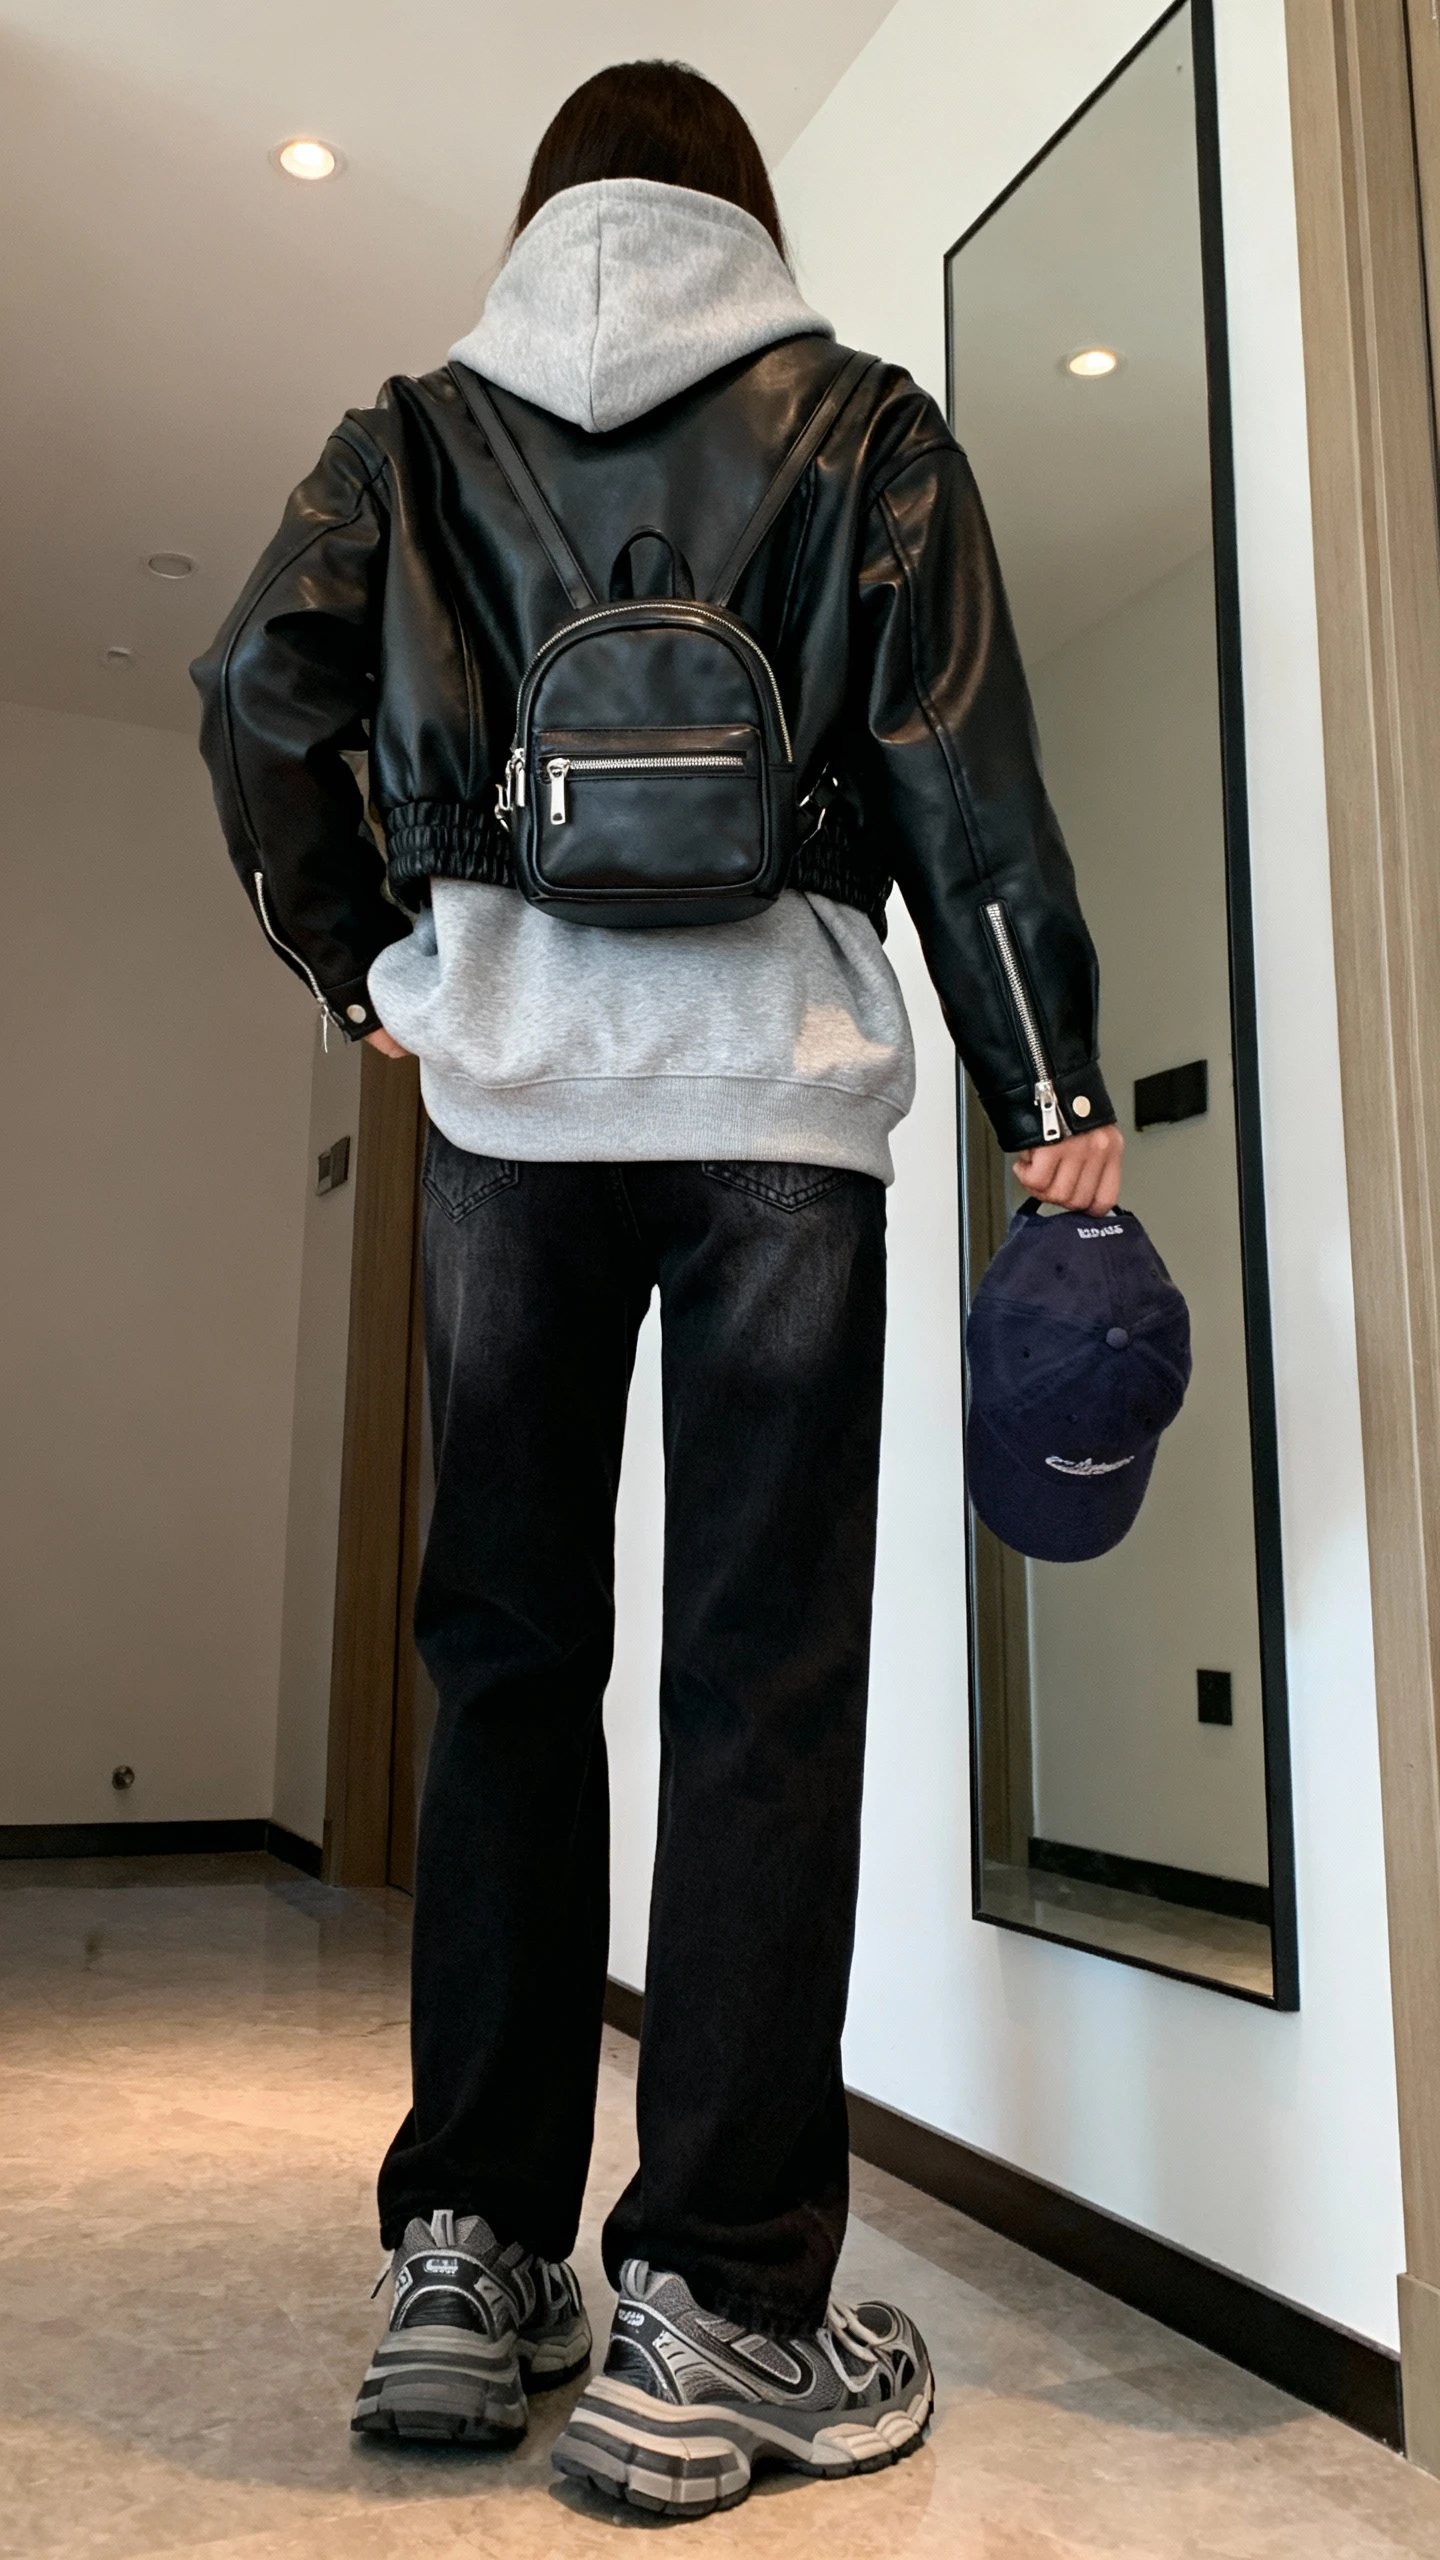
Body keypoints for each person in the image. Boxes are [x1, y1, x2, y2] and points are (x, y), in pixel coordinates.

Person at [193, 57, 1123, 2521]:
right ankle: (718, 2308)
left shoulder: (413, 438)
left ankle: (472, 2254)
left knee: (500, 1660)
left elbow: (250, 698)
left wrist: (365, 971)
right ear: (744, 206)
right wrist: (1050, 1091)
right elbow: (964, 779)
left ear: (537, 217)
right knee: (758, 1692)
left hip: (510, 1115)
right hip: (781, 1128)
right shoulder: (871, 433)